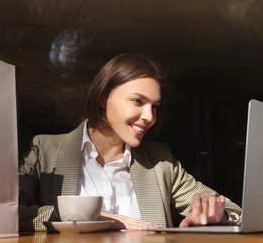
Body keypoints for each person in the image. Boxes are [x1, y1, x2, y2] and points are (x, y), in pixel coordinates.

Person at [18, 53, 242, 232]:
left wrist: (217, 213)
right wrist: (94, 219)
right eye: (138, 101)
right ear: (103, 98)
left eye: (154, 106)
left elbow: (234, 211)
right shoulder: (45, 151)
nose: (150, 116)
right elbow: (10, 213)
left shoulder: (160, 161)